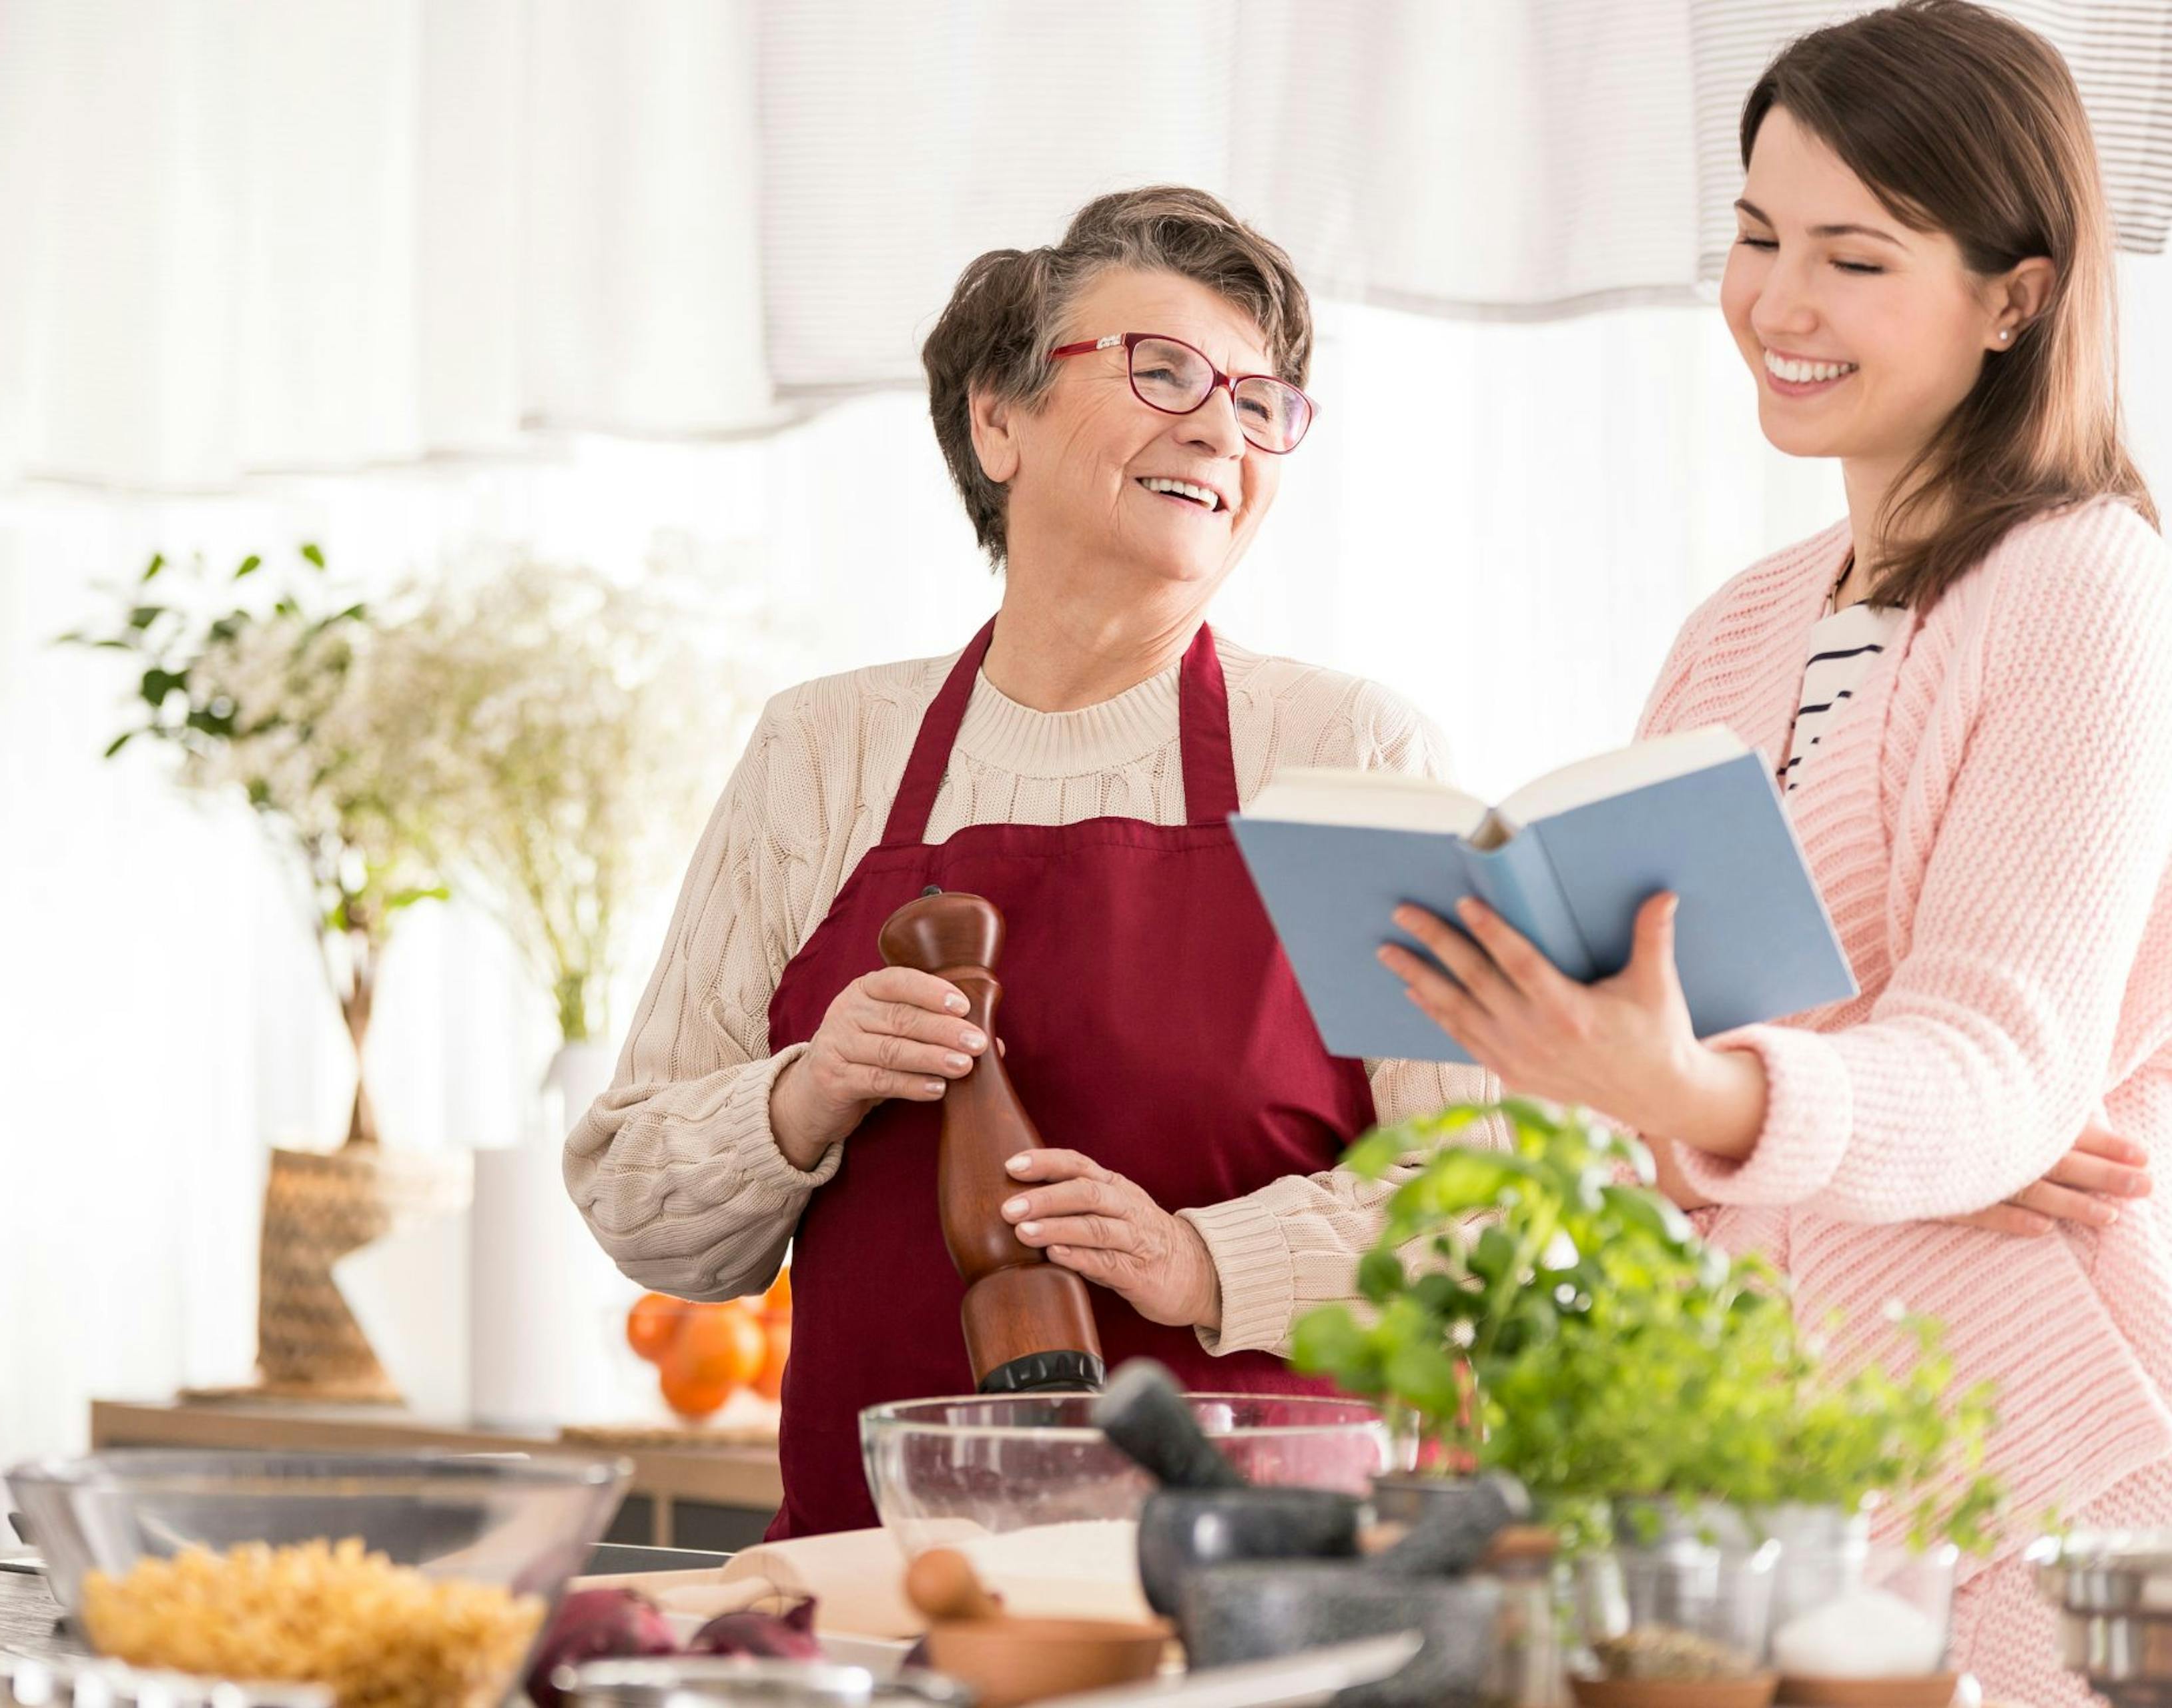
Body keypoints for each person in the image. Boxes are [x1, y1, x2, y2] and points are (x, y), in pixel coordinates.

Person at [1378, 5, 2166, 1698]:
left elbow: (2004, 1065)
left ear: (2015, 296)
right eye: (1754, 237)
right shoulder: (1739, 627)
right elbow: (1700, 1080)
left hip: (2032, 1473)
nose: (1777, 305)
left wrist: (1722, 1096)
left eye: (1853, 256)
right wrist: (1596, 1067)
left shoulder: (2086, 581)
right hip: (1772, 1480)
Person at [565, 186, 1497, 1539]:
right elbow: (644, 1204)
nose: (1218, 425)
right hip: (888, 1589)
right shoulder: (826, 749)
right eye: (1163, 369)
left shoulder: (1353, 752)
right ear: (997, 419)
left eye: (1259, 400)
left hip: (1253, 1612)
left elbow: (1500, 1209)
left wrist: (1202, 1258)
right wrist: (811, 1089)